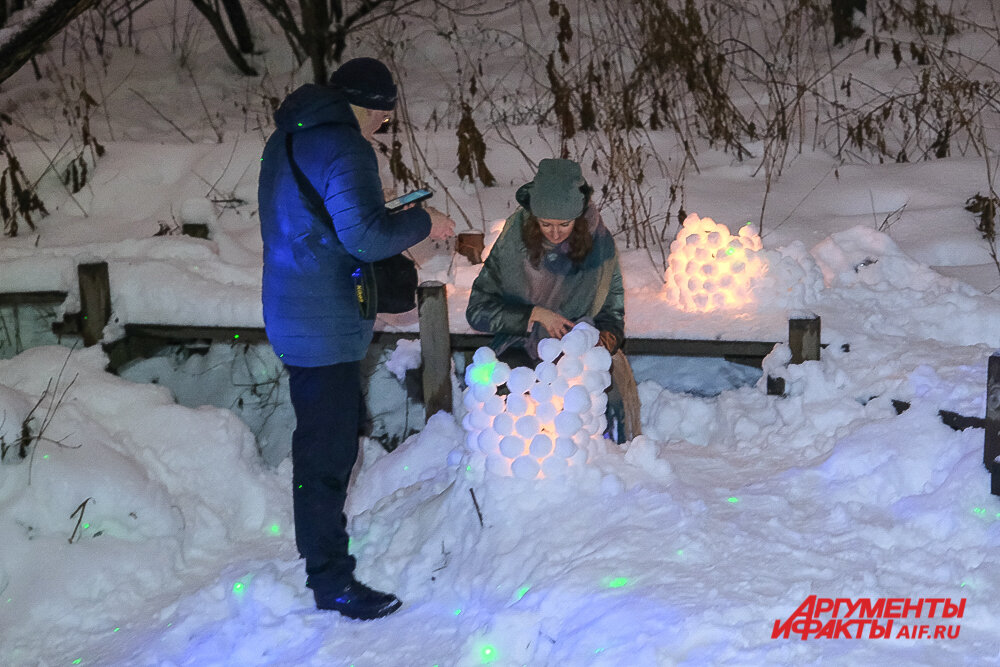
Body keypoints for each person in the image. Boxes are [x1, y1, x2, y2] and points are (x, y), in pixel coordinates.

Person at [258, 57, 453, 619]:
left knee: (327, 440)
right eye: (384, 119)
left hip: (293, 307)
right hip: (323, 320)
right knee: (327, 451)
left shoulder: (288, 138)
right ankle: (331, 582)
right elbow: (365, 238)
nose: (383, 129)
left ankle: (324, 563)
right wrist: (424, 223)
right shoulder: (346, 147)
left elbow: (321, 221)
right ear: (372, 107)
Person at [465, 158, 625, 368]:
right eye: (546, 224)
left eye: (565, 224)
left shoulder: (600, 246)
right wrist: (534, 314)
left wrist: (598, 342)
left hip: (577, 358)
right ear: (534, 218)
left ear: (578, 219)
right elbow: (477, 311)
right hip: (518, 349)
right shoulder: (513, 243)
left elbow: (612, 315)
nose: (555, 233)